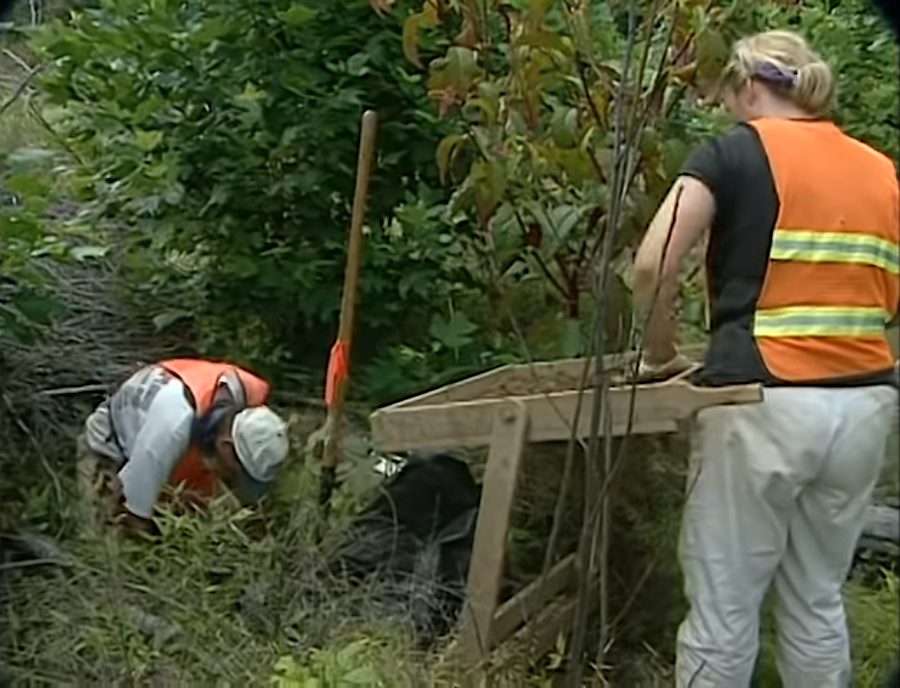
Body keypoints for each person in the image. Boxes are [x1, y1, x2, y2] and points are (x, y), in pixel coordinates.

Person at [631, 30, 899, 688]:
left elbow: (650, 264)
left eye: (728, 96)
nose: (729, 111)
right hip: (864, 402)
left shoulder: (734, 152)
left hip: (762, 400)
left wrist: (660, 353)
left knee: (725, 606)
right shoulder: (880, 169)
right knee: (816, 599)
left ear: (748, 85)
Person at [77, 358, 290, 536]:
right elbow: (133, 518)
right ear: (226, 447)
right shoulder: (170, 430)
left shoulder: (249, 394)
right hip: (113, 447)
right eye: (237, 474)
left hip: (176, 450)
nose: (235, 483)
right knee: (106, 540)